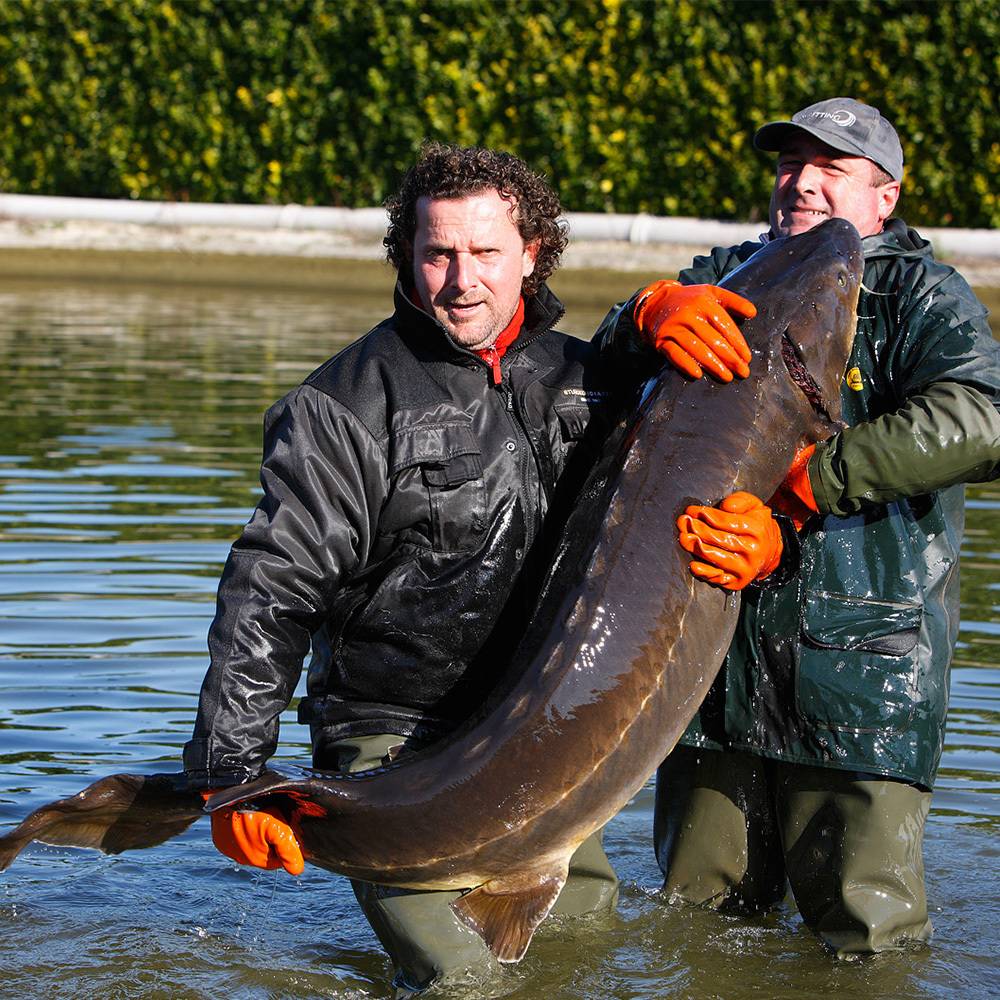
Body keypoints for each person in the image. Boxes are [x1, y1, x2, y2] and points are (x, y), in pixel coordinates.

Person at [181, 142, 758, 995]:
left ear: (532, 255)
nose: (462, 280)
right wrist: (231, 777)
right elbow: (270, 590)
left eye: (486, 251)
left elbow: (693, 494)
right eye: (438, 252)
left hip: (545, 734)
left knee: (582, 966)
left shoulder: (594, 381)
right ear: (406, 256)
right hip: (394, 745)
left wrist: (763, 541)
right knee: (464, 984)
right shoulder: (342, 405)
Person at [601, 97, 1000, 956]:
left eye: (831, 168)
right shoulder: (729, 273)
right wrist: (644, 314)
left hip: (863, 679)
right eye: (790, 164)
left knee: (867, 946)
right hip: (710, 676)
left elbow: (981, 419)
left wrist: (807, 485)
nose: (803, 182)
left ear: (885, 198)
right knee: (695, 934)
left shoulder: (921, 292)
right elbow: (598, 374)